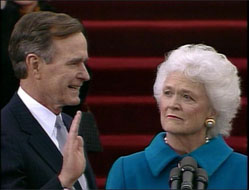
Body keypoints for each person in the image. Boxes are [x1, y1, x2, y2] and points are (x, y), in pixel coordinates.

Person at [106, 44, 247, 189]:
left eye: (187, 97)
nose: (173, 104)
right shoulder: (127, 170)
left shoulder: (242, 171)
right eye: (168, 93)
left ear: (213, 111)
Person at [1, 11, 97, 189]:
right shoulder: (5, 133)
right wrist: (64, 181)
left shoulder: (69, 125)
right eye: (73, 63)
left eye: (84, 63)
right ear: (35, 65)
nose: (85, 75)